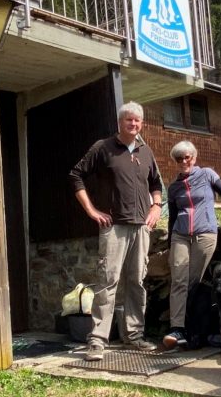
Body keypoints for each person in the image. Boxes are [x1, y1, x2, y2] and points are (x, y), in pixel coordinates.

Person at [69, 101, 162, 362]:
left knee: (136, 282)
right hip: (114, 227)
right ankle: (98, 340)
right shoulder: (103, 147)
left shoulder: (146, 151)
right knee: (107, 282)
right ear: (120, 122)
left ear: (141, 124)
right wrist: (91, 210)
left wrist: (156, 207)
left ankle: (134, 336)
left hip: (141, 227)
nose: (133, 124)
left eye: (137, 120)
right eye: (129, 119)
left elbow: (156, 183)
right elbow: (76, 175)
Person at [163, 141, 221, 349]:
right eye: (179, 159)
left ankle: (193, 329)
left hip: (205, 233)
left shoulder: (207, 175)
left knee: (193, 281)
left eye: (187, 157)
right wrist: (169, 244)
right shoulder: (174, 187)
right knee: (179, 280)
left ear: (194, 157)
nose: (183, 161)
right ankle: (177, 328)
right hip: (180, 235)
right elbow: (172, 217)